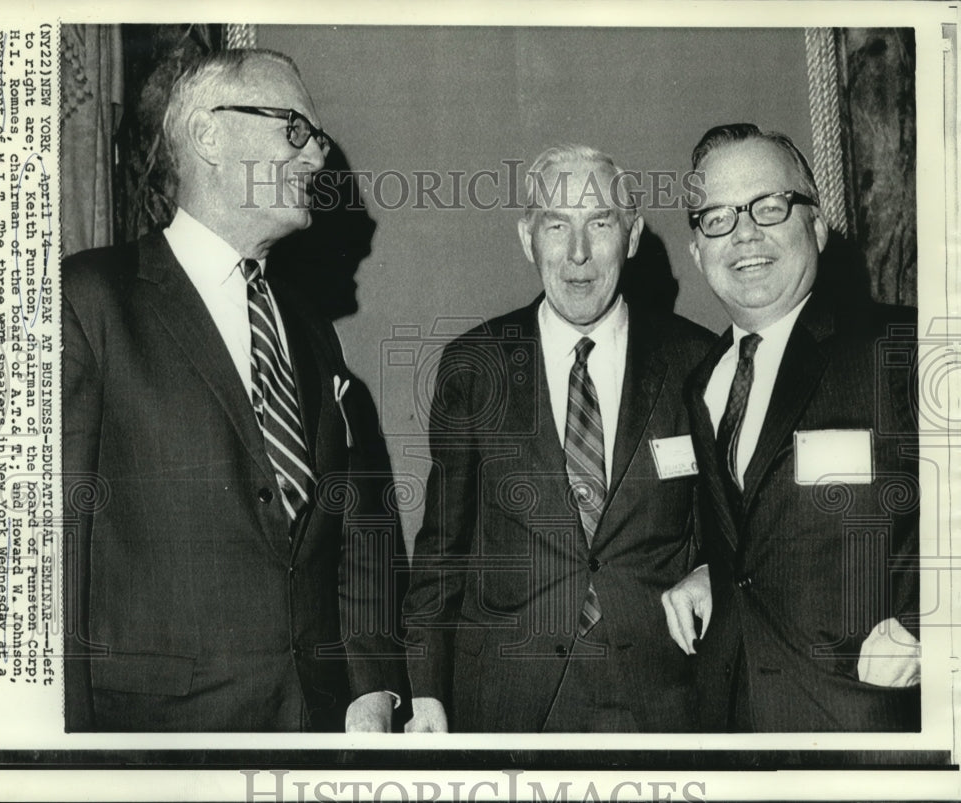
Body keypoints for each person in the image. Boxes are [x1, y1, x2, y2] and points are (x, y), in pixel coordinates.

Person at [62, 48, 407, 732]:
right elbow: (54, 551)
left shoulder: (311, 333)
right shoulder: (91, 300)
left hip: (313, 730)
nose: (317, 160)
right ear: (208, 133)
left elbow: (355, 522)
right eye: (295, 131)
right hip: (156, 742)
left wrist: (371, 686)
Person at [403, 145, 714, 732]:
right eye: (556, 225)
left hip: (660, 700)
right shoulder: (475, 366)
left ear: (632, 235)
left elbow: (734, 532)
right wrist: (424, 693)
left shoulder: (698, 362)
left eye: (599, 224)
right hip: (506, 701)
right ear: (528, 239)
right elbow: (442, 546)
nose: (577, 254)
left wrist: (710, 572)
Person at [661, 123, 920, 731]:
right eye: (718, 217)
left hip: (867, 728)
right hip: (736, 729)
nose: (745, 233)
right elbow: (753, 532)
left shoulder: (902, 347)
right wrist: (709, 571)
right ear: (698, 251)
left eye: (769, 207)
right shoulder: (702, 384)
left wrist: (931, 629)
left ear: (818, 224)